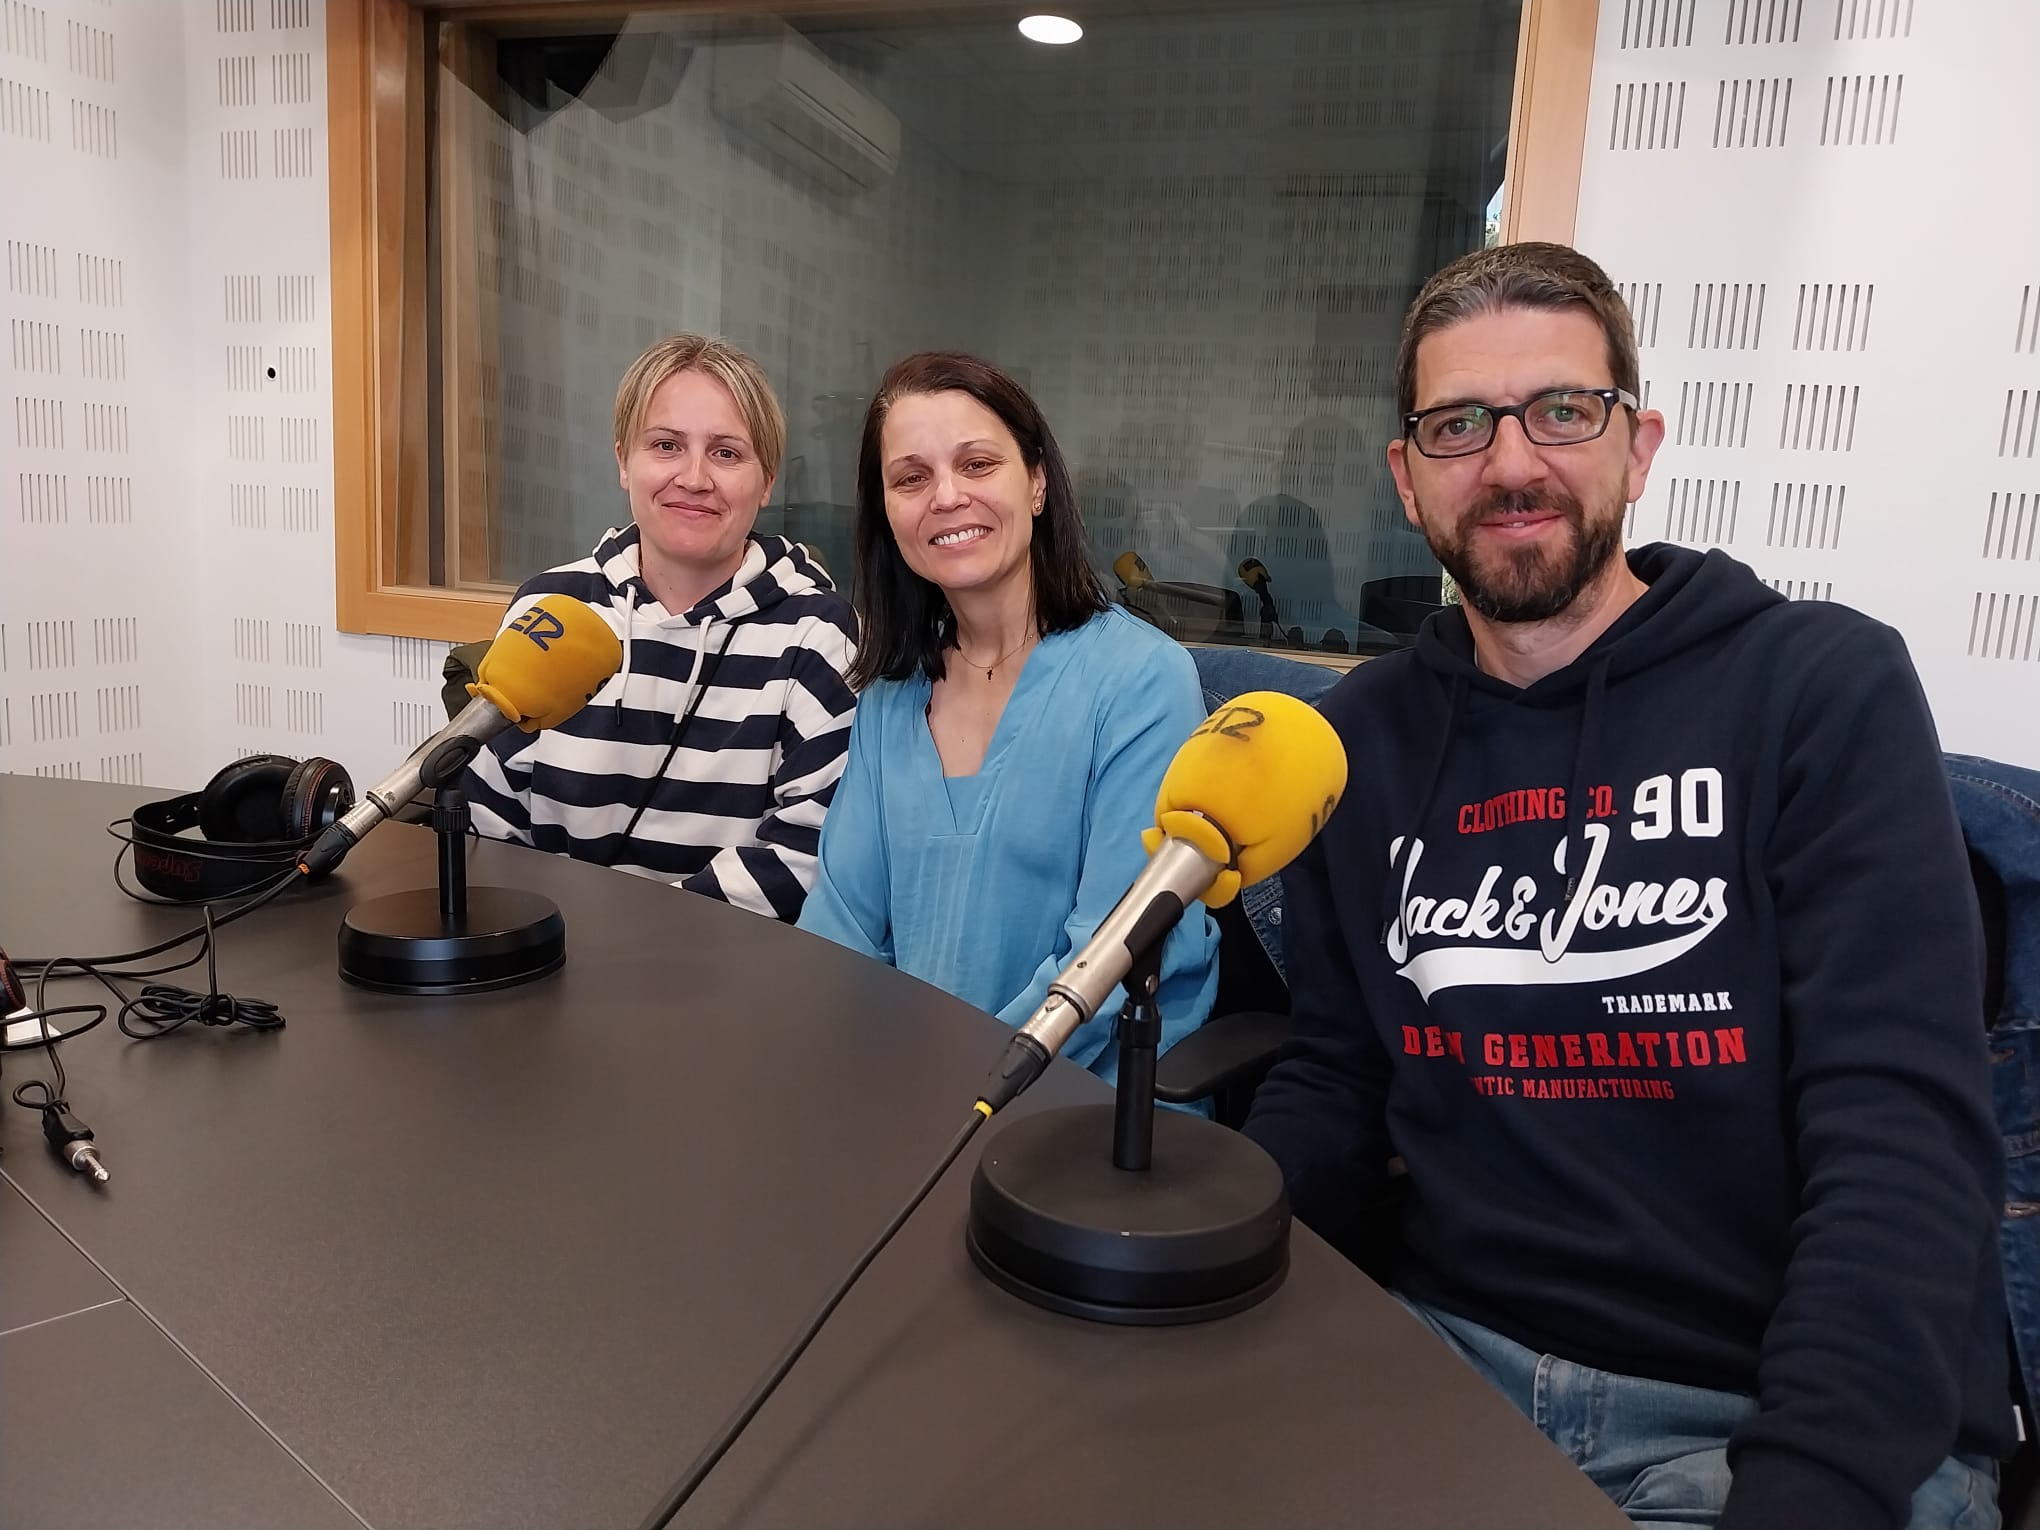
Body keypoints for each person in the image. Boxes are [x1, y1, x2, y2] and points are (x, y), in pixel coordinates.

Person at [1244, 243, 2010, 1530]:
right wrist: (1199, 1247)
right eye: (1457, 425)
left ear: (1638, 444)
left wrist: (1811, 1479)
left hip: (1761, 1407)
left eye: (1561, 411)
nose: (1510, 463)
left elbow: (1903, 1141)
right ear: (1407, 476)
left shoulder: (1818, 688)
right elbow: (1336, 1075)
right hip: (1437, 1366)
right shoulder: (1352, 739)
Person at [797, 352, 1219, 1083]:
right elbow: (840, 937)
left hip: (1078, 1117)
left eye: (978, 464)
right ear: (888, 512)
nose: (947, 497)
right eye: (911, 478)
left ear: (1037, 483)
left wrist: (945, 1093)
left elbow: (1106, 963)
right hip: (902, 1107)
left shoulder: (1145, 682)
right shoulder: (889, 698)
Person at [463, 334, 858, 922]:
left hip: (728, 973)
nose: (694, 478)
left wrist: (638, 944)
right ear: (624, 461)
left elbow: (806, 855)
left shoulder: (817, 633)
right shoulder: (551, 605)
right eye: (667, 445)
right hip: (550, 962)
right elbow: (489, 822)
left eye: (726, 453)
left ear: (766, 480)